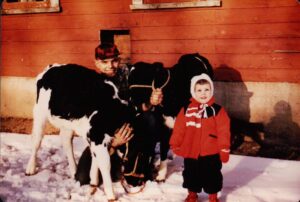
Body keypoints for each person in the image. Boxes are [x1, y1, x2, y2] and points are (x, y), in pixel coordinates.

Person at [75, 42, 164, 186]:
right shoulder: (92, 85)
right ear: (96, 63)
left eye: (114, 61)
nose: (110, 66)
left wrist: (151, 102)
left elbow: (139, 107)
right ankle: (116, 163)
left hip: (130, 130)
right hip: (106, 138)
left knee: (151, 118)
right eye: (104, 62)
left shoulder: (129, 77)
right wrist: (113, 144)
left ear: (119, 60)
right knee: (83, 178)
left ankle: (144, 161)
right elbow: (89, 126)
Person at [169, 73, 231, 202]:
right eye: (199, 90)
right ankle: (192, 194)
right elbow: (179, 128)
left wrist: (224, 149)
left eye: (206, 89)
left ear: (211, 90)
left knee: (212, 175)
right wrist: (175, 143)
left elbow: (224, 131)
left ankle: (213, 196)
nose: (203, 93)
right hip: (191, 150)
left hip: (211, 151)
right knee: (191, 174)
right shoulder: (186, 110)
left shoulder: (218, 110)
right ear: (193, 92)